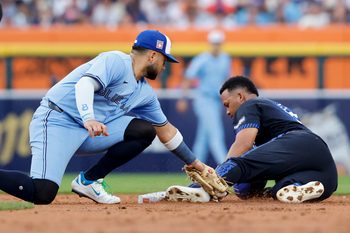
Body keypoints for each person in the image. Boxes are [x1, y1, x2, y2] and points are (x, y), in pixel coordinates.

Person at [0, 30, 220, 205]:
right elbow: (85, 84)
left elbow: (167, 131)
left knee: (144, 131)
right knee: (42, 193)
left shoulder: (145, 93)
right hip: (57, 121)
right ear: (153, 55)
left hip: (89, 131)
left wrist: (198, 165)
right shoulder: (116, 60)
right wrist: (89, 117)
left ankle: (88, 181)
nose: (164, 67)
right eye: (164, 60)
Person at [167, 76, 338, 203]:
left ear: (240, 97)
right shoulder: (271, 109)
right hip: (325, 170)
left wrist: (216, 174)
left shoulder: (250, 105)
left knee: (240, 164)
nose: (227, 112)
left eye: (227, 104)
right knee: (279, 191)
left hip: (297, 141)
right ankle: (308, 186)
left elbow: (244, 144)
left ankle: (200, 191)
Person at [176, 30, 231, 165]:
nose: (216, 46)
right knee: (215, 135)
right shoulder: (202, 59)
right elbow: (188, 77)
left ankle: (194, 167)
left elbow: (226, 80)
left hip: (216, 101)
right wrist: (183, 98)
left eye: (218, 43)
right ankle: (226, 167)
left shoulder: (225, 58)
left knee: (203, 139)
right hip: (204, 100)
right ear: (210, 43)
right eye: (214, 43)